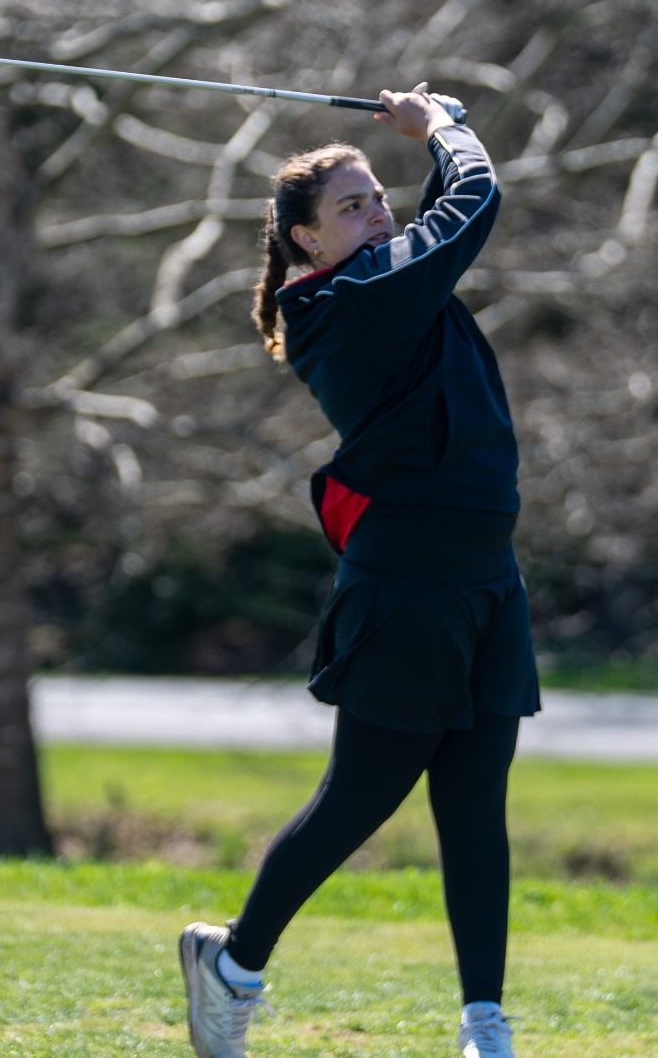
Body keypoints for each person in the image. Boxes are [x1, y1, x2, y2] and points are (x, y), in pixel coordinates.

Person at [179, 83, 538, 1058]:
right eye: (352, 205)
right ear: (307, 242)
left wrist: (430, 142)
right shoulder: (347, 296)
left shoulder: (386, 277)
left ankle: (483, 1025)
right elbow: (470, 204)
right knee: (362, 793)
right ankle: (234, 964)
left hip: (485, 573)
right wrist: (444, 129)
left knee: (475, 807)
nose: (378, 211)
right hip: (410, 578)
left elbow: (443, 221)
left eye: (380, 195)